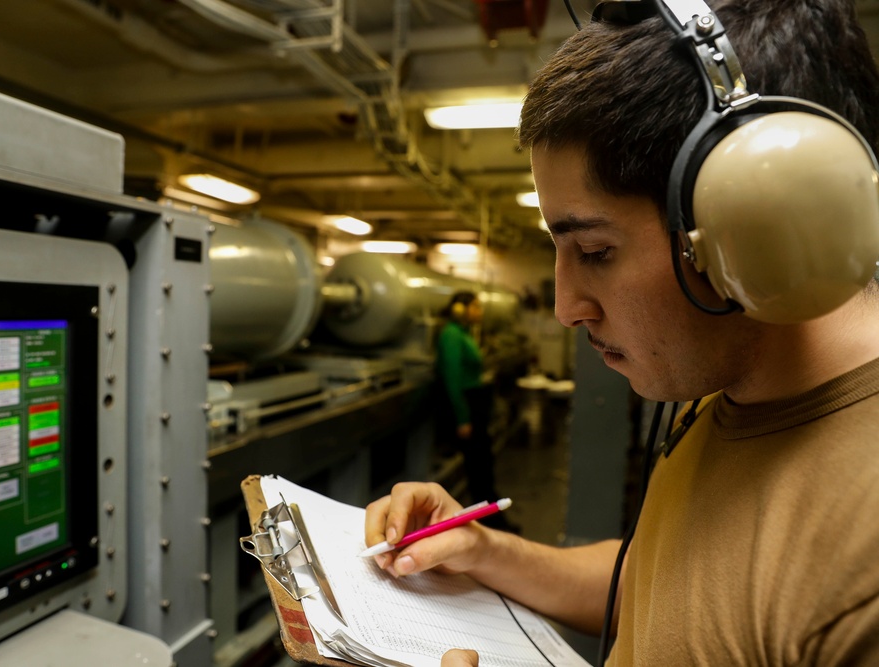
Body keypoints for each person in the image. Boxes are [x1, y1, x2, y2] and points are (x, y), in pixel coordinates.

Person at [364, 0, 879, 664]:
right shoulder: (720, 377)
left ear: (754, 225)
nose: (565, 307)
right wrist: (484, 551)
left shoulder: (862, 557)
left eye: (596, 253)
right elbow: (664, 579)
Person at [435, 292, 505, 516]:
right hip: (467, 406)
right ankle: (487, 517)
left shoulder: (464, 333)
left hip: (476, 404)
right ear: (459, 309)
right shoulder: (451, 335)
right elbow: (452, 378)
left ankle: (491, 511)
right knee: (478, 466)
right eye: (475, 306)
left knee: (484, 463)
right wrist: (463, 419)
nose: (480, 311)